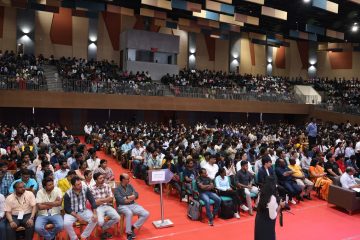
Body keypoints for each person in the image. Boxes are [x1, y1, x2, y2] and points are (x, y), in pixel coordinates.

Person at [114, 173, 149, 240]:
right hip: (121, 206)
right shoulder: (117, 189)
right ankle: (129, 233)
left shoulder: (130, 186)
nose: (129, 180)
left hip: (132, 205)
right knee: (129, 213)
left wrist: (128, 198)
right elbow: (120, 200)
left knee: (146, 213)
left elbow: (136, 194)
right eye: (127, 179)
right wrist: (130, 197)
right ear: (123, 180)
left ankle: (133, 227)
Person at [63, 176, 98, 240]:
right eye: (78, 184)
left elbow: (92, 200)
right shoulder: (68, 193)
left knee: (95, 219)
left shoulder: (85, 189)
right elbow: (67, 208)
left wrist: (95, 213)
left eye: (80, 183)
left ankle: (83, 236)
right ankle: (74, 238)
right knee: (66, 223)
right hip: (72, 213)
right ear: (73, 186)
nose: (80, 185)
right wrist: (77, 216)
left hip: (83, 211)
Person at [91, 172, 120, 239]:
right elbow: (95, 203)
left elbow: (111, 199)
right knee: (100, 222)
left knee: (117, 218)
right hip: (98, 208)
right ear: (96, 180)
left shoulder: (107, 186)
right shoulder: (92, 188)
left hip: (108, 206)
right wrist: (106, 199)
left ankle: (103, 229)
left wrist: (101, 200)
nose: (103, 179)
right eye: (100, 178)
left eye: (103, 178)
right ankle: (104, 231)